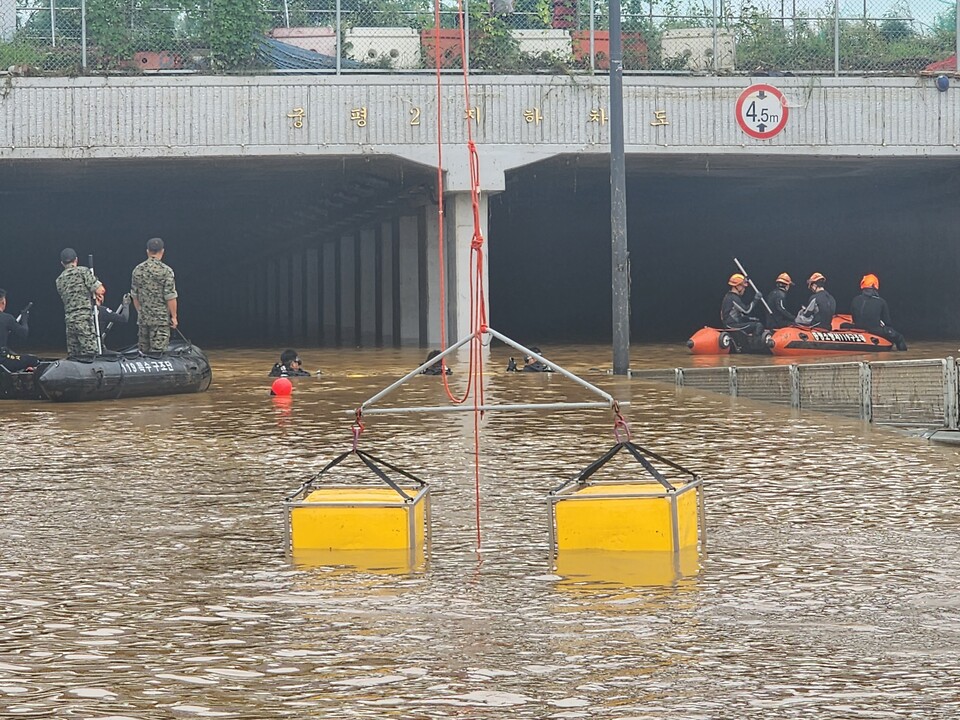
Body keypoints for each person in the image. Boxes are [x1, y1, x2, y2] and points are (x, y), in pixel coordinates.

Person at [131, 237, 178, 354]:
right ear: (162, 251)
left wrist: (141, 312)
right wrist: (174, 317)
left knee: (143, 353)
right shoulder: (166, 271)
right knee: (158, 354)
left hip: (143, 319)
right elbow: (170, 296)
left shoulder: (137, 270)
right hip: (160, 320)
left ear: (147, 251)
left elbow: (135, 296)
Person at [55, 248, 105, 358]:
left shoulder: (59, 280)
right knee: (90, 353)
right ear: (76, 260)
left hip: (69, 319)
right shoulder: (83, 271)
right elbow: (100, 290)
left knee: (74, 355)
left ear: (62, 263)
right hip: (84, 318)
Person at [851, 274, 908, 351]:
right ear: (875, 286)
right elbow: (887, 321)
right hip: (874, 329)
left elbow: (854, 317)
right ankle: (902, 354)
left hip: (857, 327)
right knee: (900, 337)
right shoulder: (881, 302)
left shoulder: (855, 299)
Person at [0, 289, 39, 372]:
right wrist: (24, 319)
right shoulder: (7, 318)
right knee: (32, 360)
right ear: (3, 302)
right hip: (2, 360)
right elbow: (23, 333)